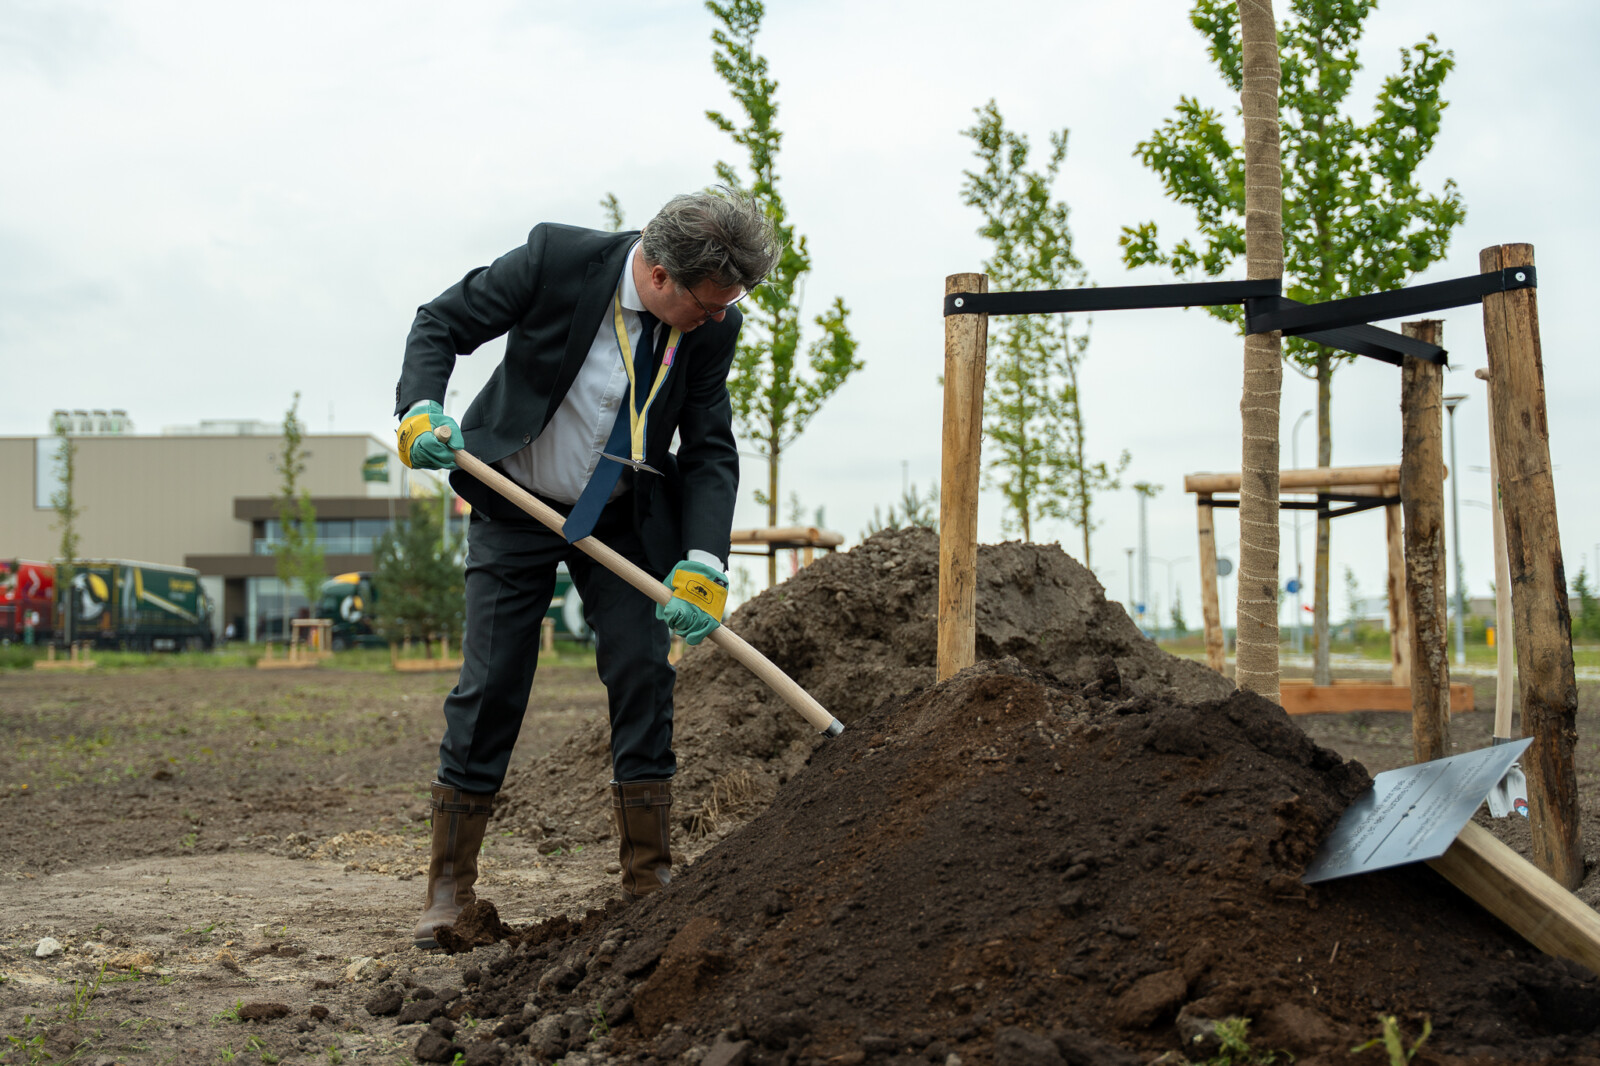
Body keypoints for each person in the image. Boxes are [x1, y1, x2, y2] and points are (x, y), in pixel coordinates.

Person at [394, 188, 778, 949]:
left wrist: (703, 559)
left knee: (643, 671)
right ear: (661, 276)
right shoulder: (555, 261)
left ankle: (649, 876)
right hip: (516, 503)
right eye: (707, 303)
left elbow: (708, 446)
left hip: (623, 518)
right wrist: (419, 408)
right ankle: (448, 886)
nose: (718, 317)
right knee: (492, 683)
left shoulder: (711, 327)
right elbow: (440, 323)